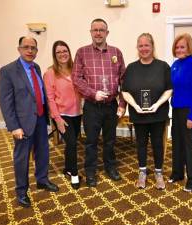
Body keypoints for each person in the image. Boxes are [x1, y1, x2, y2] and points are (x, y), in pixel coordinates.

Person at [0, 36, 59, 208]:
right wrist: (13, 126)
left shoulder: (36, 67)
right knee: (22, 158)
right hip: (22, 123)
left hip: (40, 119)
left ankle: (42, 180)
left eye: (33, 48)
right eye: (26, 47)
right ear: (19, 49)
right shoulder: (8, 71)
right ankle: (21, 191)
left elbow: (38, 93)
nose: (30, 51)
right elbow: (5, 102)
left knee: (43, 152)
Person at [72, 18, 126, 187]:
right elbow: (76, 78)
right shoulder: (82, 52)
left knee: (110, 140)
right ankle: (90, 171)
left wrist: (123, 104)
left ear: (107, 33)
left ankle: (110, 167)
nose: (98, 33)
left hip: (111, 106)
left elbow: (124, 80)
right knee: (91, 141)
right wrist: (92, 93)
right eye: (94, 30)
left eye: (101, 30)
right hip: (92, 106)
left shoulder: (116, 52)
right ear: (90, 32)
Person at [122, 33, 172, 190]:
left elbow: (169, 89)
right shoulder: (131, 68)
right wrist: (135, 106)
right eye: (141, 45)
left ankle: (158, 173)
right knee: (141, 144)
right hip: (139, 114)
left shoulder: (163, 66)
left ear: (152, 47)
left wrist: (157, 104)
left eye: (146, 45)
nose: (144, 48)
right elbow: (125, 91)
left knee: (158, 144)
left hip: (158, 113)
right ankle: (142, 171)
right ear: (137, 47)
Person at [43, 40, 82, 190]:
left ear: (69, 52)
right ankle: (74, 174)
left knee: (71, 144)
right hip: (62, 115)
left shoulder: (76, 70)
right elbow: (50, 98)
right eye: (58, 52)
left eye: (64, 51)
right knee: (71, 143)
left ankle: (67, 168)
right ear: (55, 55)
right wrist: (57, 119)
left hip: (77, 113)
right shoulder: (50, 73)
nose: (62, 54)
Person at [169, 33, 192, 192]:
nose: (179, 49)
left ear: (189, 47)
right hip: (176, 109)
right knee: (177, 143)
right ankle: (177, 174)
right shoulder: (175, 64)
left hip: (189, 110)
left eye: (182, 46)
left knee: (190, 146)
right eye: (177, 47)